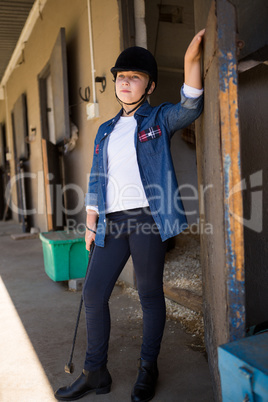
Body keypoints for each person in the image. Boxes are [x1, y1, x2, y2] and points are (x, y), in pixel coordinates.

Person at [55, 28, 205, 402]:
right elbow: (96, 178)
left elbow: (190, 107)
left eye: (134, 77)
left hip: (146, 218)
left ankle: (147, 369)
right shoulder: (105, 130)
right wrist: (90, 224)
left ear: (149, 86)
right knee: (93, 292)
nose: (125, 83)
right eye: (121, 77)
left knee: (149, 293)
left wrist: (190, 62)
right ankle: (95, 373)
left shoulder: (157, 120)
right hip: (111, 221)